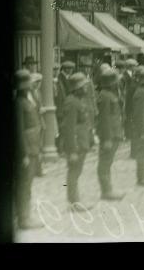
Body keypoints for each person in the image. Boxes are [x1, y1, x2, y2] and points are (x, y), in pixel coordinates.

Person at [14, 70, 44, 229]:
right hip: (27, 149)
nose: (29, 88)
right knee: (24, 184)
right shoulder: (19, 102)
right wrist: (23, 153)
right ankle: (24, 219)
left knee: (27, 183)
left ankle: (22, 216)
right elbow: (19, 129)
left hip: (33, 146)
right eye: (27, 86)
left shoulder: (27, 100)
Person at [61, 72, 93, 211]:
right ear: (77, 88)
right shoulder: (72, 102)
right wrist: (72, 150)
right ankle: (74, 202)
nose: (86, 88)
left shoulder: (77, 100)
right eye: (83, 86)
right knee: (74, 172)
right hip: (76, 144)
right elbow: (69, 128)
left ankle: (74, 200)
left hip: (81, 142)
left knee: (76, 172)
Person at [96, 69, 126, 200]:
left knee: (108, 162)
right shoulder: (104, 96)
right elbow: (104, 119)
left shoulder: (110, 94)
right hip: (109, 135)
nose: (117, 84)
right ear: (111, 83)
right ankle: (106, 190)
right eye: (115, 82)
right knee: (105, 163)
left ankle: (108, 189)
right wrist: (107, 138)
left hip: (115, 133)